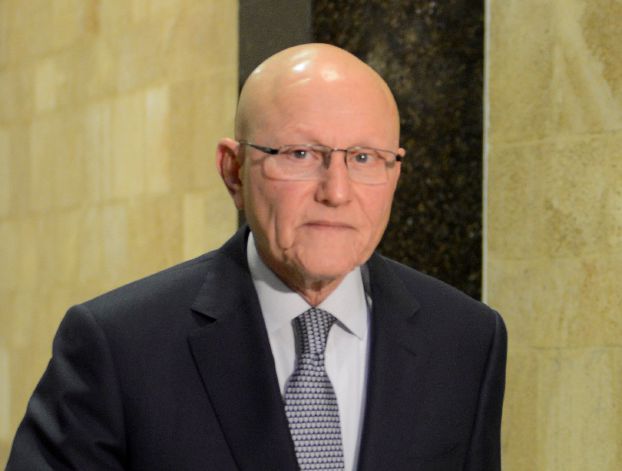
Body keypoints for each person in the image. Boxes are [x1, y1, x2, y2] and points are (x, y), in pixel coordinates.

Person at [7, 43, 506, 471]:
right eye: (300, 154)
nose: (336, 192)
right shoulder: (118, 346)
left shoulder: (466, 341)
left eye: (363, 158)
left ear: (395, 174)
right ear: (234, 171)